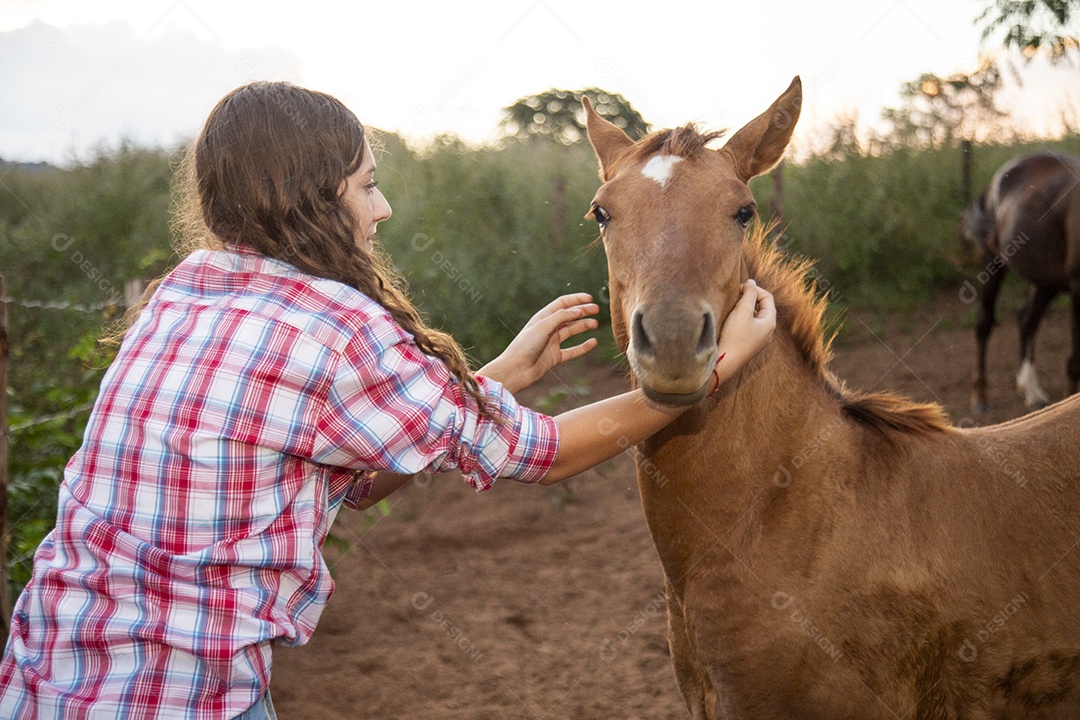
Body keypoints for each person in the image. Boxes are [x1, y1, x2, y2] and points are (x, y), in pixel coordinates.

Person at [0, 81, 775, 719]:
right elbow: (545, 454)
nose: (384, 209)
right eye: (367, 185)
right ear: (310, 198)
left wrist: (495, 373)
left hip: (42, 676)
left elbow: (361, 481)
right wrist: (709, 372)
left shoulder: (185, 291)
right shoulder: (336, 329)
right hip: (182, 698)